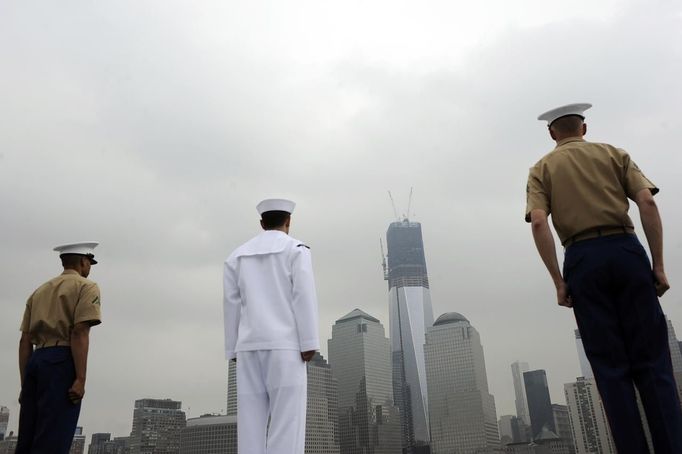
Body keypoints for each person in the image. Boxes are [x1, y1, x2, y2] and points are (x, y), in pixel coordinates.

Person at [525, 103, 682, 452]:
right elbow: (648, 203)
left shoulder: (541, 168)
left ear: (552, 133)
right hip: (626, 250)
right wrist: (658, 265)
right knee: (654, 363)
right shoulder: (615, 154)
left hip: (582, 260)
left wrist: (558, 281)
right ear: (584, 128)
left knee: (610, 372)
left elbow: (538, 222)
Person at [223, 198, 320, 454]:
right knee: (287, 421)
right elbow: (304, 296)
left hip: (248, 347)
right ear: (288, 221)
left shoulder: (236, 256)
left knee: (249, 423)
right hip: (286, 347)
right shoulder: (296, 250)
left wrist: (232, 349)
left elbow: (231, 304)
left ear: (261, 223)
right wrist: (309, 342)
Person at [16, 242, 102, 454]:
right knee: (53, 438)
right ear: (83, 262)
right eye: (89, 263)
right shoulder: (86, 286)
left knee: (27, 439)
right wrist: (80, 379)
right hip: (62, 359)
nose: (89, 267)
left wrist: (25, 382)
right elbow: (79, 332)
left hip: (36, 360)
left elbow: (25, 341)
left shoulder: (39, 291)